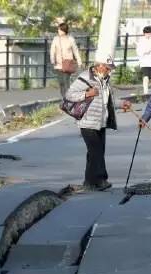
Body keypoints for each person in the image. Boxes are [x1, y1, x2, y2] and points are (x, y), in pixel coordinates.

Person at [65, 55, 117, 191]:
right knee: (96, 151)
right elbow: (69, 95)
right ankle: (101, 179)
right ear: (99, 66)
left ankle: (89, 182)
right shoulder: (85, 77)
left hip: (101, 122)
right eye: (108, 68)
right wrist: (86, 94)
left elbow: (108, 101)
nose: (109, 71)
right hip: (87, 122)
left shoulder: (105, 80)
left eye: (110, 68)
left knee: (94, 152)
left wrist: (122, 104)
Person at [50, 22, 83, 98]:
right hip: (58, 64)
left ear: (63, 30)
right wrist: (52, 60)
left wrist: (79, 62)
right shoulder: (56, 39)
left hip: (67, 64)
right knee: (61, 82)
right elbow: (52, 50)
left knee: (66, 81)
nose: (58, 31)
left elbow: (75, 51)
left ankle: (68, 98)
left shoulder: (70, 39)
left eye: (59, 29)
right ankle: (64, 97)